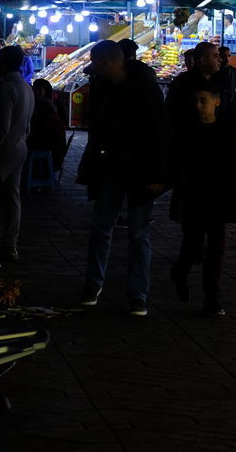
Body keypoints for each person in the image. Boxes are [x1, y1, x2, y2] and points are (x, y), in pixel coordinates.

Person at [78, 41, 170, 317]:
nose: (92, 67)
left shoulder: (144, 86)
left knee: (138, 233)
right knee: (102, 227)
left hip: (139, 171)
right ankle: (95, 285)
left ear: (106, 61)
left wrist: (158, 174)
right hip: (109, 167)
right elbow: (97, 129)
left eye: (95, 62)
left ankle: (137, 293)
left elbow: (160, 132)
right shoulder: (103, 86)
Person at [169, 84, 236, 317]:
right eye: (196, 101)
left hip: (218, 194)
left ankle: (212, 296)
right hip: (193, 194)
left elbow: (235, 163)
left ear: (216, 101)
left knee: (216, 247)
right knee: (192, 245)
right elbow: (177, 162)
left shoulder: (226, 129)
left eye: (203, 100)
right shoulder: (187, 129)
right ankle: (180, 273)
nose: (198, 106)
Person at [0, 45, 34, 262]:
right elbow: (27, 126)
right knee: (13, 198)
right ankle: (11, 244)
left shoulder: (7, 89)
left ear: (4, 64)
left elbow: (2, 126)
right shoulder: (27, 87)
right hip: (21, 147)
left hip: (5, 149)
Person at [166, 42, 236, 134]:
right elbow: (173, 115)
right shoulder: (182, 83)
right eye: (215, 56)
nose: (220, 59)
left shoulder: (219, 79)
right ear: (203, 60)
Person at [28, 78, 68, 172]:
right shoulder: (46, 104)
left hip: (50, 153)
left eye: (39, 90)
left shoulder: (45, 106)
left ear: (46, 91)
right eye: (34, 90)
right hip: (53, 151)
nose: (36, 93)